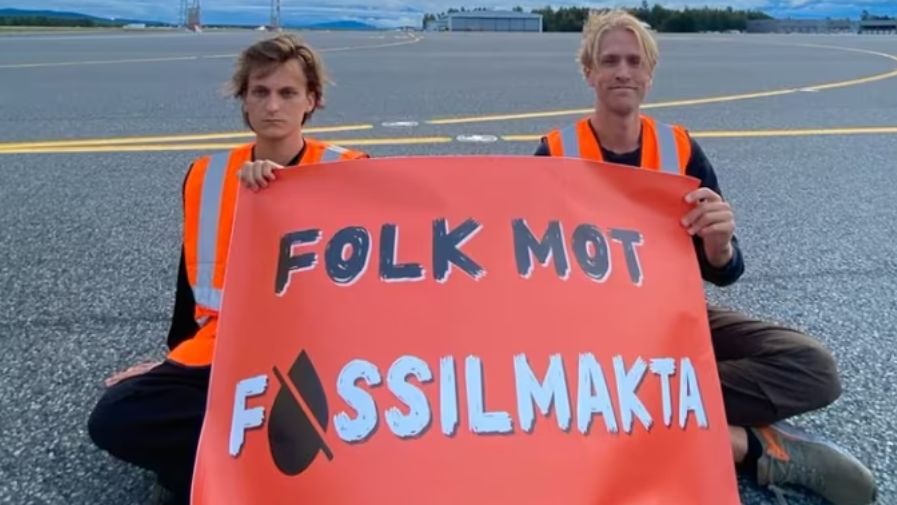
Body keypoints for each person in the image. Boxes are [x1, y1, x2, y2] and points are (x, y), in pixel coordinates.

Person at [536, 10, 876, 505]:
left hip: (675, 321)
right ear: (589, 72)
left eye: (634, 61)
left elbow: (724, 269)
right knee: (556, 398)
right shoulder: (555, 154)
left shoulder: (679, 150)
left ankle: (639, 414)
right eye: (609, 61)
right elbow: (531, 273)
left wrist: (720, 247)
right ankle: (747, 444)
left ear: (649, 74)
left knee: (814, 367)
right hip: (595, 339)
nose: (622, 72)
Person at [87, 34, 368, 505]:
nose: (272, 106)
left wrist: (288, 189)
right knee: (116, 417)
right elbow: (189, 288)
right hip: (228, 348)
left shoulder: (349, 171)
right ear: (243, 100)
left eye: (287, 93)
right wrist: (170, 362)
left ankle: (216, 467)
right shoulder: (209, 176)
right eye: (259, 92)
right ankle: (232, 467)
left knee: (359, 421)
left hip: (316, 354)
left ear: (311, 101)